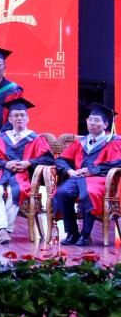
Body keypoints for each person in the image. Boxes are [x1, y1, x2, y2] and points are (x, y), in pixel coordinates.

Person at [0, 97, 53, 244]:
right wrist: (5, 164)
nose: (19, 118)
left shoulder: (36, 139)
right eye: (16, 115)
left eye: (22, 115)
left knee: (15, 190)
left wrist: (29, 163)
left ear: (28, 118)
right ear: (10, 119)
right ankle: (3, 230)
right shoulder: (0, 138)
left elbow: (48, 159)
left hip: (22, 175)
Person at [53, 103, 121, 246]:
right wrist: (70, 171)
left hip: (101, 180)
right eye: (90, 119)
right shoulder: (81, 142)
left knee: (88, 193)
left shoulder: (113, 142)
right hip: (78, 177)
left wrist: (93, 170)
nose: (92, 123)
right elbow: (61, 160)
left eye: (96, 120)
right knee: (62, 192)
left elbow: (116, 162)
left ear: (105, 124)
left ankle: (86, 234)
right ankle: (72, 232)